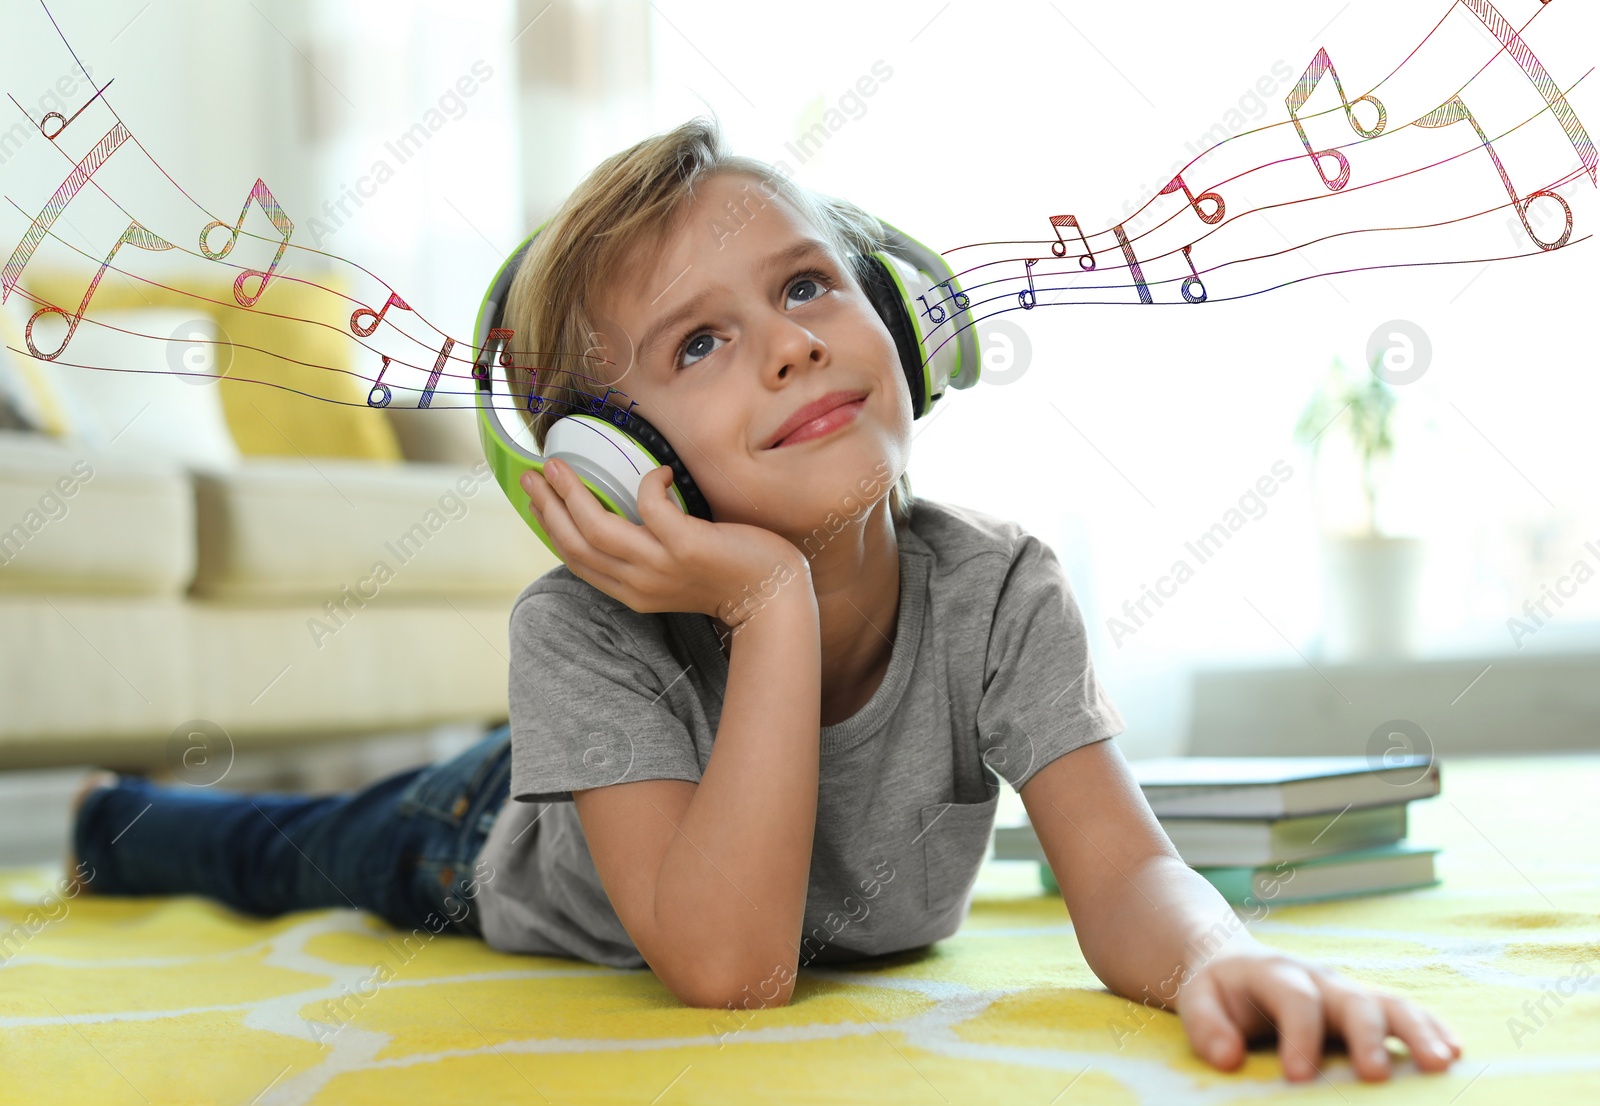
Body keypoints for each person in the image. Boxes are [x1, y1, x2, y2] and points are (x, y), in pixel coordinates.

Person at [72, 116, 1461, 1083]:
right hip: (484, 839)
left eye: (807, 285)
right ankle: (112, 815)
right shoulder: (575, 628)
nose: (792, 344)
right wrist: (770, 601)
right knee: (281, 847)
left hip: (613, 765)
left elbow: (1125, 868)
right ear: (624, 465)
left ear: (904, 319)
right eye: (701, 342)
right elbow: (733, 970)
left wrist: (1219, 953)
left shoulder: (1001, 589)